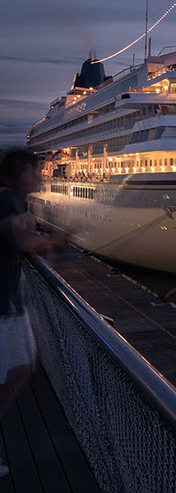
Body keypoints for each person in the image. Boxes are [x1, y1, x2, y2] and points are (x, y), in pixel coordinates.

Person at [0, 149, 65, 478]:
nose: (40, 175)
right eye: (33, 171)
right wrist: (57, 238)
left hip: (7, 303)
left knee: (20, 367)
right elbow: (22, 240)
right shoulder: (10, 203)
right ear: (15, 176)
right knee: (20, 368)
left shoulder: (11, 202)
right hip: (3, 308)